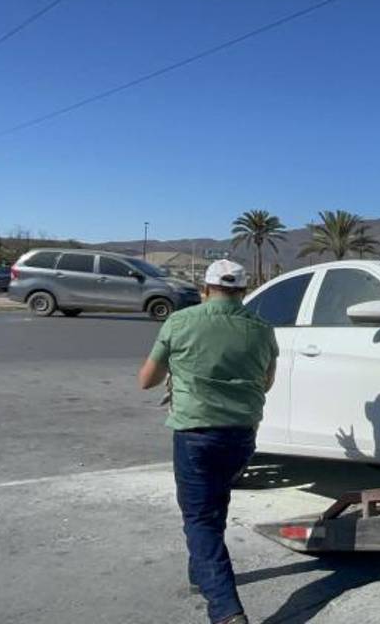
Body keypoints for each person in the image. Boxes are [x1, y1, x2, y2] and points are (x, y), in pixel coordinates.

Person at [138, 260, 278, 624]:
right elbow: (267, 382)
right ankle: (200, 572)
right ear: (243, 292)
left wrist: (179, 371)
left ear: (205, 289)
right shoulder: (263, 329)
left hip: (196, 435)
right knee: (213, 508)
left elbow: (146, 380)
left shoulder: (180, 322)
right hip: (242, 436)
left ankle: (226, 610)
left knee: (199, 517)